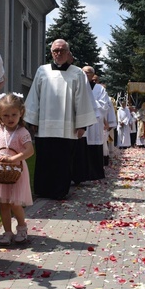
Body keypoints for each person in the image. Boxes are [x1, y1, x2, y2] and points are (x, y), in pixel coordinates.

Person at [24, 39, 96, 200]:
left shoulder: (77, 73)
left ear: (68, 52)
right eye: (56, 50)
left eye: (62, 50)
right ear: (51, 53)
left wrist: (82, 125)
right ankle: (42, 190)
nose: (59, 53)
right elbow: (34, 96)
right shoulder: (42, 71)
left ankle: (59, 191)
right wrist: (32, 120)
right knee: (44, 159)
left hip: (67, 127)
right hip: (44, 126)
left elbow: (82, 100)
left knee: (62, 161)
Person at [0, 93, 34, 245]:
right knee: (3, 204)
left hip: (16, 172)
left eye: (14, 114)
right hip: (0, 171)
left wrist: (13, 159)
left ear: (21, 113)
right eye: (5, 115)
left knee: (15, 203)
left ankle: (22, 227)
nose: (10, 118)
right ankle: (7, 232)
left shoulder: (22, 132)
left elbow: (29, 151)